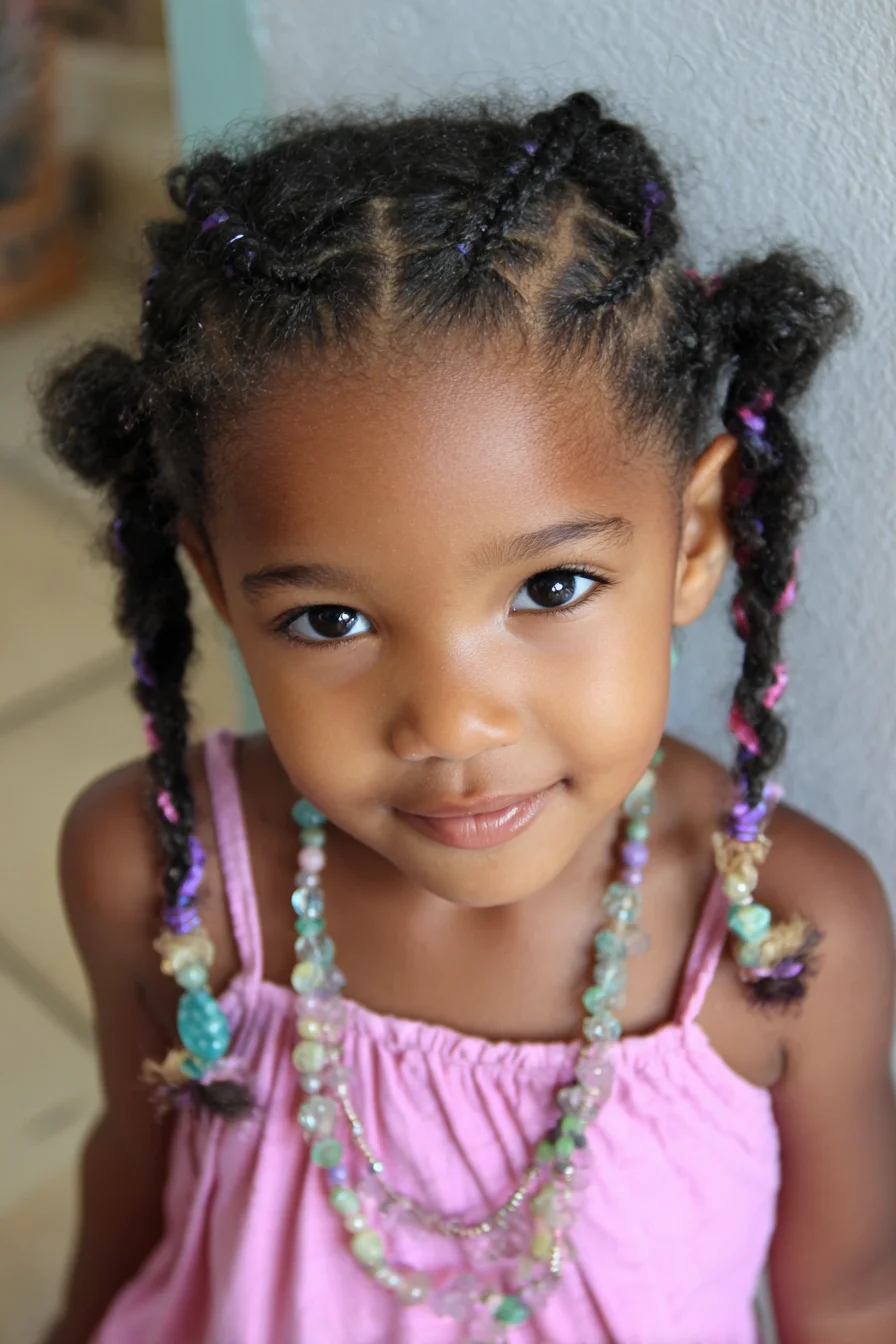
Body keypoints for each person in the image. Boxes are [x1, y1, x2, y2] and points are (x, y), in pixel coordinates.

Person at [38, 91, 896, 1344]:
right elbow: (135, 1179)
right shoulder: (164, 882)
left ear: (695, 536)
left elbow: (854, 1293)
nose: (447, 720)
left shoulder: (784, 941)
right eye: (328, 620)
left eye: (550, 588)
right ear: (218, 585)